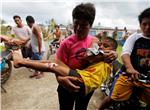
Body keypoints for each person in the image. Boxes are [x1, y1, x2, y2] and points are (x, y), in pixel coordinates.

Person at [55, 3, 118, 110]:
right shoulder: (66, 44)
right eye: (76, 23)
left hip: (86, 86)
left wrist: (114, 54)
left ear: (90, 25)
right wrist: (60, 79)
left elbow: (104, 57)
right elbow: (57, 65)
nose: (78, 28)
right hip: (66, 85)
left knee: (82, 107)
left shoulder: (95, 42)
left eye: (84, 25)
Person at [13, 37, 118, 95]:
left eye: (105, 46)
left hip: (84, 79)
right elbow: (89, 57)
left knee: (53, 66)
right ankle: (22, 61)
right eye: (100, 44)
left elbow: (90, 56)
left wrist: (113, 53)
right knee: (53, 63)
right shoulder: (69, 41)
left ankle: (22, 62)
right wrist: (60, 78)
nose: (101, 47)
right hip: (82, 78)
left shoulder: (104, 54)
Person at [99, 7, 150, 110]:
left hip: (147, 79)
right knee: (112, 97)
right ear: (140, 25)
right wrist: (130, 68)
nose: (147, 27)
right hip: (128, 75)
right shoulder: (134, 37)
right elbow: (125, 53)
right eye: (144, 24)